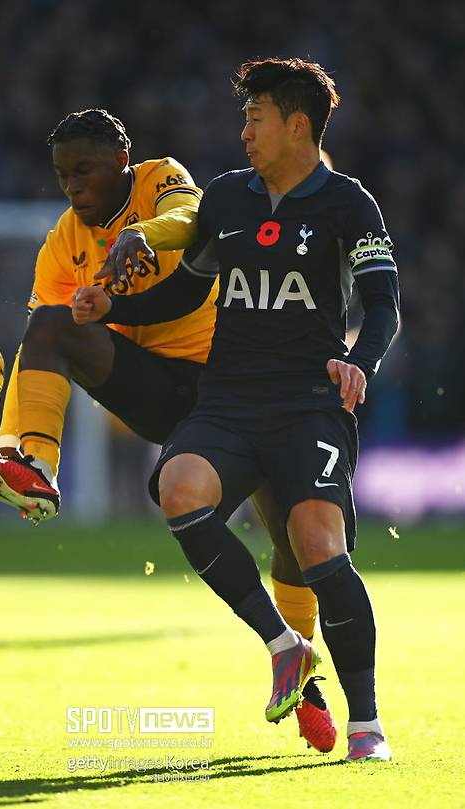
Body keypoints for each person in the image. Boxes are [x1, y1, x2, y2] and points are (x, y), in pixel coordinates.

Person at [0, 108, 336, 752]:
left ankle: (298, 671)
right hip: (159, 391)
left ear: (121, 162)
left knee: (292, 541)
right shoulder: (61, 246)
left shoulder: (159, 181)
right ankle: (39, 473)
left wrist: (145, 237)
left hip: (234, 383)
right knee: (49, 324)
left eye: (85, 171)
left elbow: (192, 217)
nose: (74, 187)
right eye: (62, 176)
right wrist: (7, 444)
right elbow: (39, 350)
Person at [72, 60, 400, 762]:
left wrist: (359, 363)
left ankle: (368, 726)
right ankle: (285, 646)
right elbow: (188, 294)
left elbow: (384, 307)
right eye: (244, 117)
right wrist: (115, 308)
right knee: (176, 486)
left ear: (297, 124)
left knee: (317, 545)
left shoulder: (350, 205)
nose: (243, 131)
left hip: (310, 404)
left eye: (255, 117)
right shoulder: (225, 198)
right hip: (229, 398)